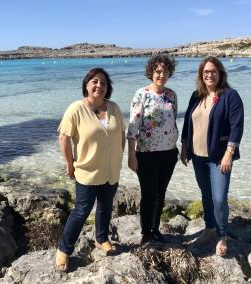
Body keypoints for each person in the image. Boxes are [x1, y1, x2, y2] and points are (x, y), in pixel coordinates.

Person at [55, 68, 125, 272]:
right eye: (95, 81)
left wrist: (119, 156)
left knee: (105, 206)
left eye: (103, 83)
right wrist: (69, 163)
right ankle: (64, 249)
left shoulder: (114, 107)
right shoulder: (76, 108)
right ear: (86, 85)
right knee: (81, 211)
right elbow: (64, 138)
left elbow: (121, 131)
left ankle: (101, 239)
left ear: (108, 87)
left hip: (111, 170)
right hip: (87, 170)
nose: (99, 86)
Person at [181, 56, 244, 256]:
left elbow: (237, 126)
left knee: (219, 197)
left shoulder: (230, 96)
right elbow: (187, 124)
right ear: (201, 75)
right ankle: (209, 229)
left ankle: (222, 235)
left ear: (220, 74)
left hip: (219, 157)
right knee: (206, 195)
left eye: (213, 71)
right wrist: (184, 147)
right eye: (206, 72)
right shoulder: (196, 96)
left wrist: (229, 153)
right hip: (198, 157)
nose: (209, 75)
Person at [127, 55, 179, 245]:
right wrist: (131, 155)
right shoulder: (142, 94)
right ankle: (146, 232)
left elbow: (173, 121)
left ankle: (156, 229)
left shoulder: (172, 95)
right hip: (146, 154)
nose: (161, 75)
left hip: (169, 153)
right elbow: (133, 127)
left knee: (161, 193)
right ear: (151, 72)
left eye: (165, 71)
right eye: (158, 71)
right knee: (149, 194)